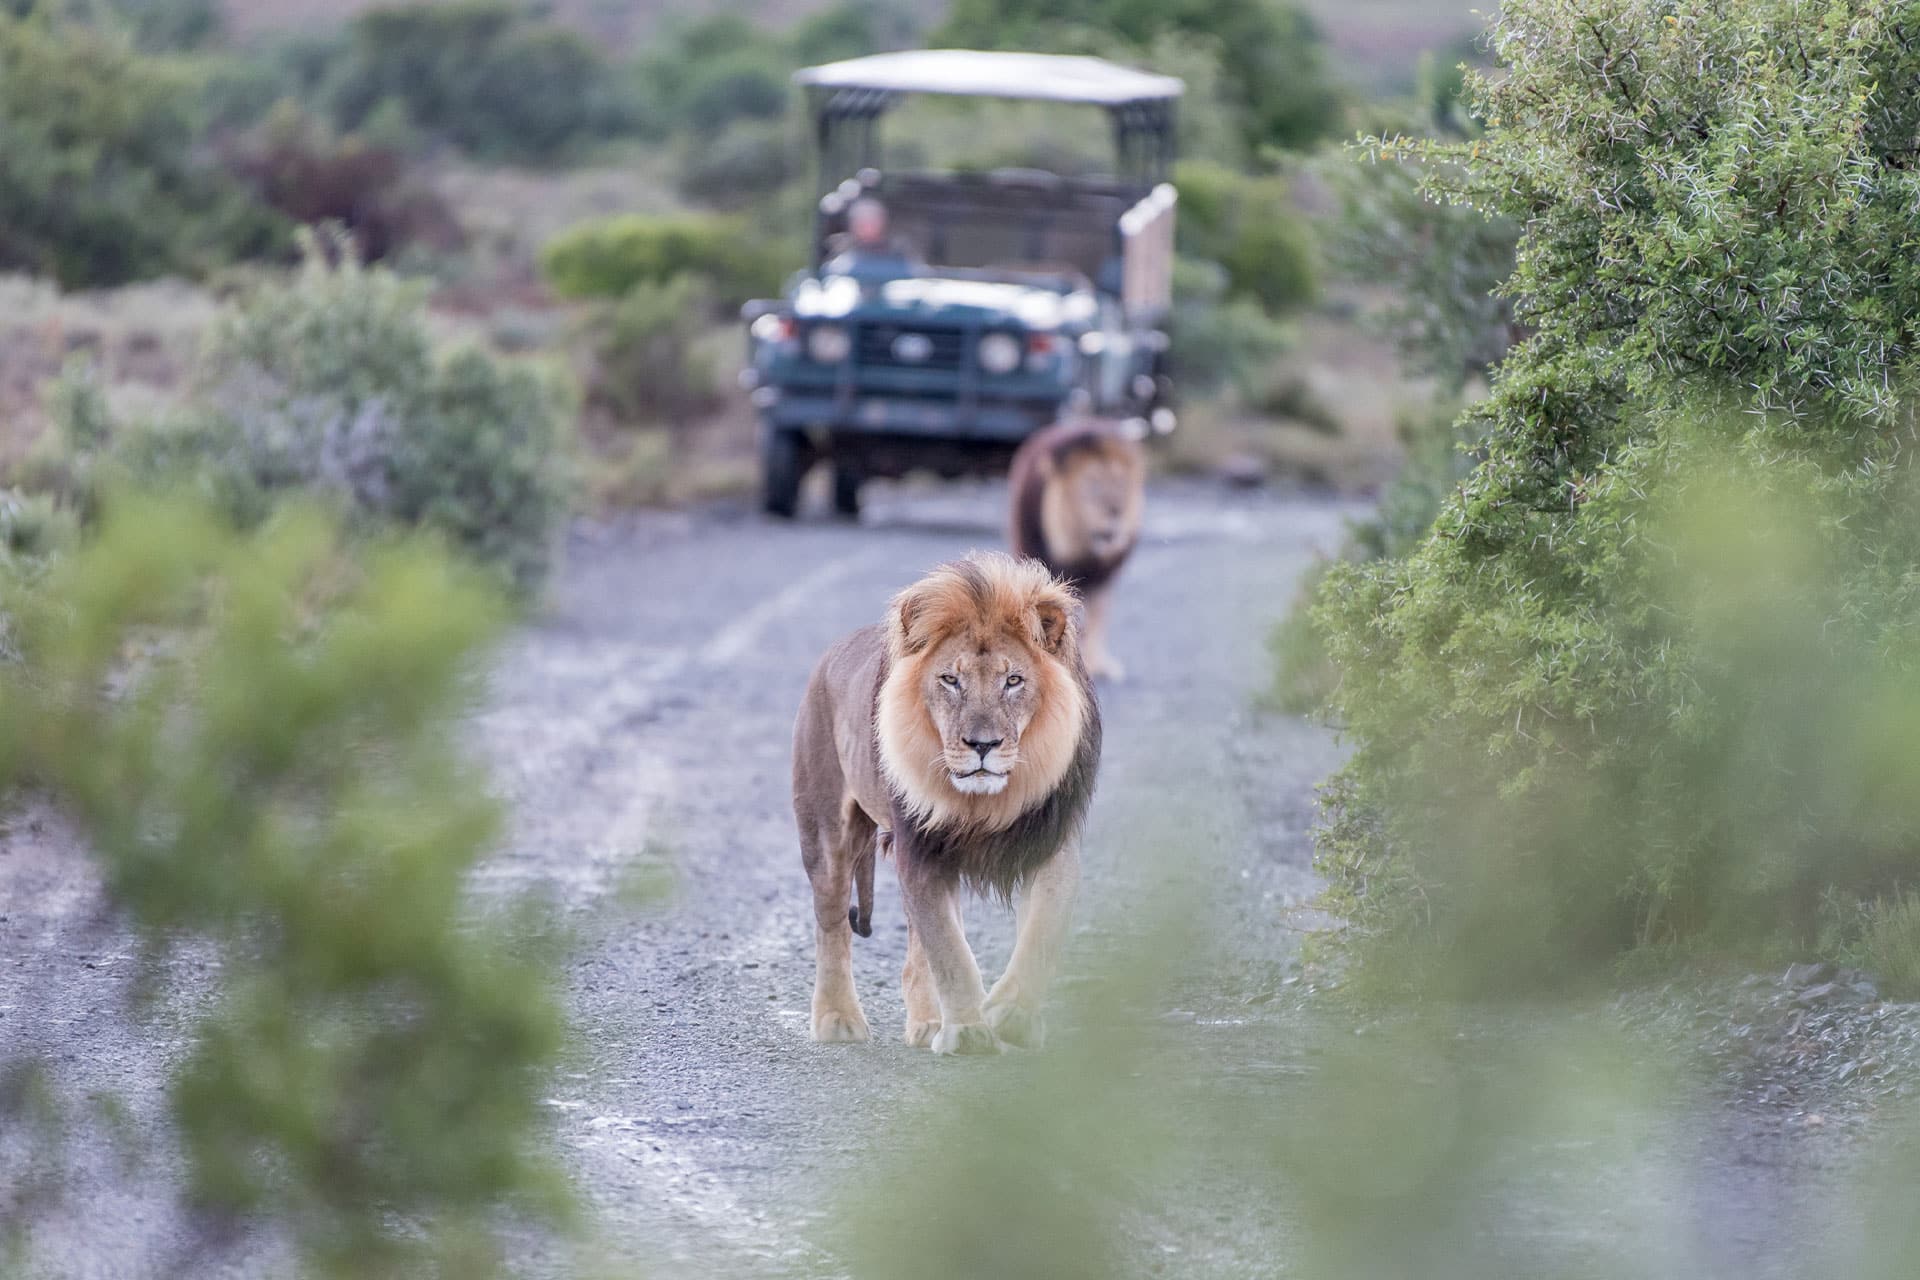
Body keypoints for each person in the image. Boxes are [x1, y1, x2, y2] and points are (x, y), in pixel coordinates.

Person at [825, 197, 919, 281]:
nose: (867, 227)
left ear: (882, 221)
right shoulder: (841, 262)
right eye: (862, 222)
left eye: (872, 221)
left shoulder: (901, 255)